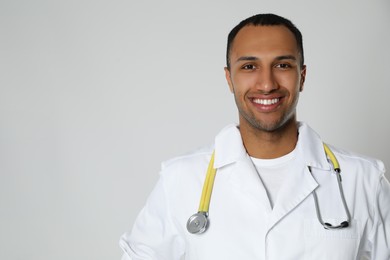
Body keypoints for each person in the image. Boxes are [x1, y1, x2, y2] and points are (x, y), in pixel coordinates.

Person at [119, 13, 390, 259]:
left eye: (282, 65)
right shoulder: (180, 179)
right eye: (249, 67)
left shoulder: (364, 180)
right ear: (229, 79)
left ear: (302, 76)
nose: (267, 84)